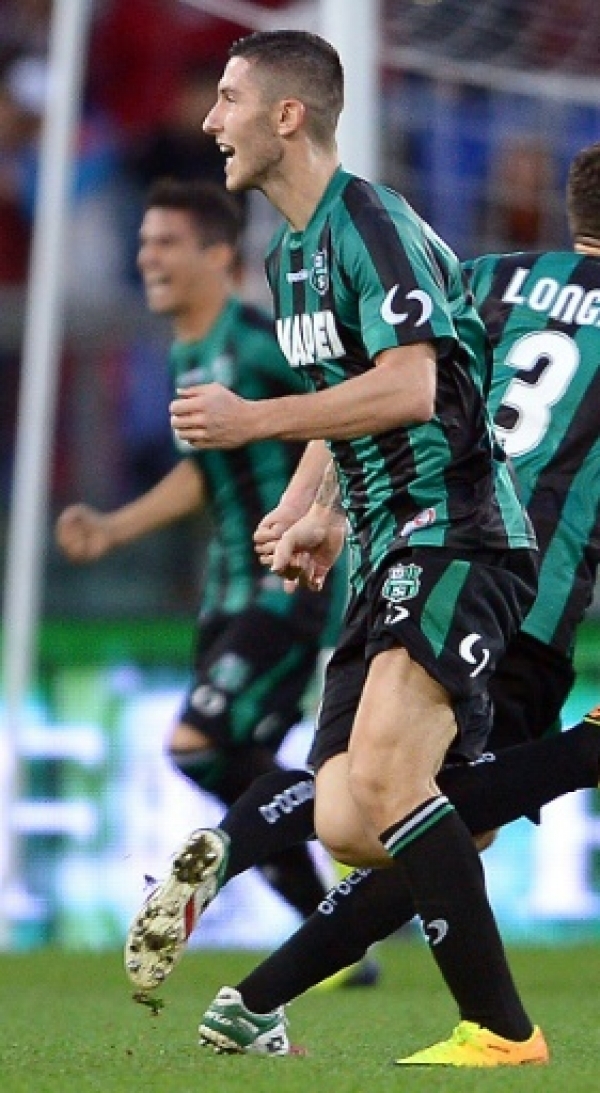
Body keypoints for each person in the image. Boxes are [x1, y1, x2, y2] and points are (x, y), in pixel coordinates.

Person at [124, 137, 600, 1062]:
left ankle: (252, 981)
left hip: (415, 544)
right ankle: (581, 767)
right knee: (436, 812)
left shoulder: (488, 277)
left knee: (417, 816)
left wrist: (316, 504)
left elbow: (373, 389)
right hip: (523, 582)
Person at [55, 177, 367, 974]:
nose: (146, 257)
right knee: (232, 764)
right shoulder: (188, 353)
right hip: (225, 588)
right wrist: (115, 526)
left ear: (216, 255)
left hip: (284, 581)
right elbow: (203, 471)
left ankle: (352, 821)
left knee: (198, 742)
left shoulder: (259, 340)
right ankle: (340, 924)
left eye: (164, 243)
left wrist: (313, 515)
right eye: (144, 242)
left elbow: (337, 417)